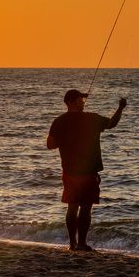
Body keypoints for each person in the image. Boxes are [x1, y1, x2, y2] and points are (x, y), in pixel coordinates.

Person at [46, 89, 126, 251]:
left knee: (72, 206)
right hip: (88, 171)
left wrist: (66, 140)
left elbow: (50, 145)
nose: (83, 102)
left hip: (69, 171)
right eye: (80, 100)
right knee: (85, 207)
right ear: (71, 102)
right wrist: (120, 108)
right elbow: (112, 123)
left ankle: (72, 244)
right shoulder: (90, 118)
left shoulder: (59, 121)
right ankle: (81, 243)